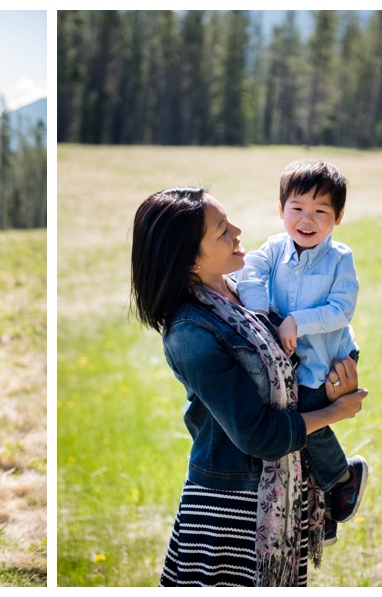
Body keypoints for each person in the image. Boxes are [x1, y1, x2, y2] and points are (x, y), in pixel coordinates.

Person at [130, 186, 367, 587]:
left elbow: (289, 367)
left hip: (277, 496)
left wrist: (332, 382)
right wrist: (333, 413)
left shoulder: (244, 290)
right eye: (222, 230)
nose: (238, 231)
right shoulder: (190, 331)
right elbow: (257, 433)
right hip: (232, 509)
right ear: (189, 259)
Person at [236, 160, 368, 545]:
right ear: (281, 211)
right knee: (293, 438)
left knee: (306, 423)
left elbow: (342, 310)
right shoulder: (273, 249)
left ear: (338, 217)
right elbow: (251, 276)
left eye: (321, 211)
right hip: (287, 365)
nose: (307, 219)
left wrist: (296, 320)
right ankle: (322, 513)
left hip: (327, 362)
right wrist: (262, 313)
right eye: (297, 208)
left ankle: (343, 478)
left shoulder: (339, 258)